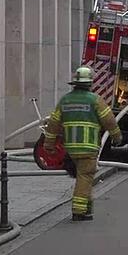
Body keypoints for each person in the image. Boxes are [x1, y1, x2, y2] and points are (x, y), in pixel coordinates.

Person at [44, 66, 122, 221]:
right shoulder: (95, 100)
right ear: (90, 83)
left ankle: (87, 209)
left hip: (71, 149)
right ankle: (79, 211)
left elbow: (53, 124)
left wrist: (49, 145)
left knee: (84, 177)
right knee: (85, 177)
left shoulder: (64, 100)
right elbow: (109, 121)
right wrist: (117, 137)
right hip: (89, 148)